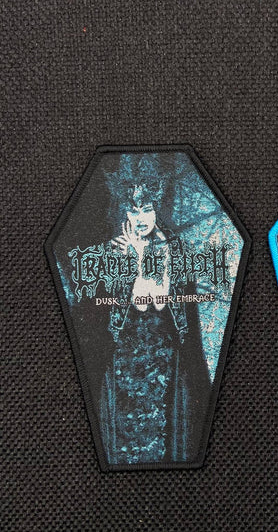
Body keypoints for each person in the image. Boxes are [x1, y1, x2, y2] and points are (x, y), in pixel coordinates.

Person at [99, 154, 211, 465]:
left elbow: (161, 301)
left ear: (157, 208)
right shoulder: (113, 251)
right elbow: (137, 302)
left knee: (166, 434)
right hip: (124, 357)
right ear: (124, 211)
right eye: (134, 210)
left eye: (147, 209)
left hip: (165, 356)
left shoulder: (175, 248)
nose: (141, 217)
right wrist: (136, 257)